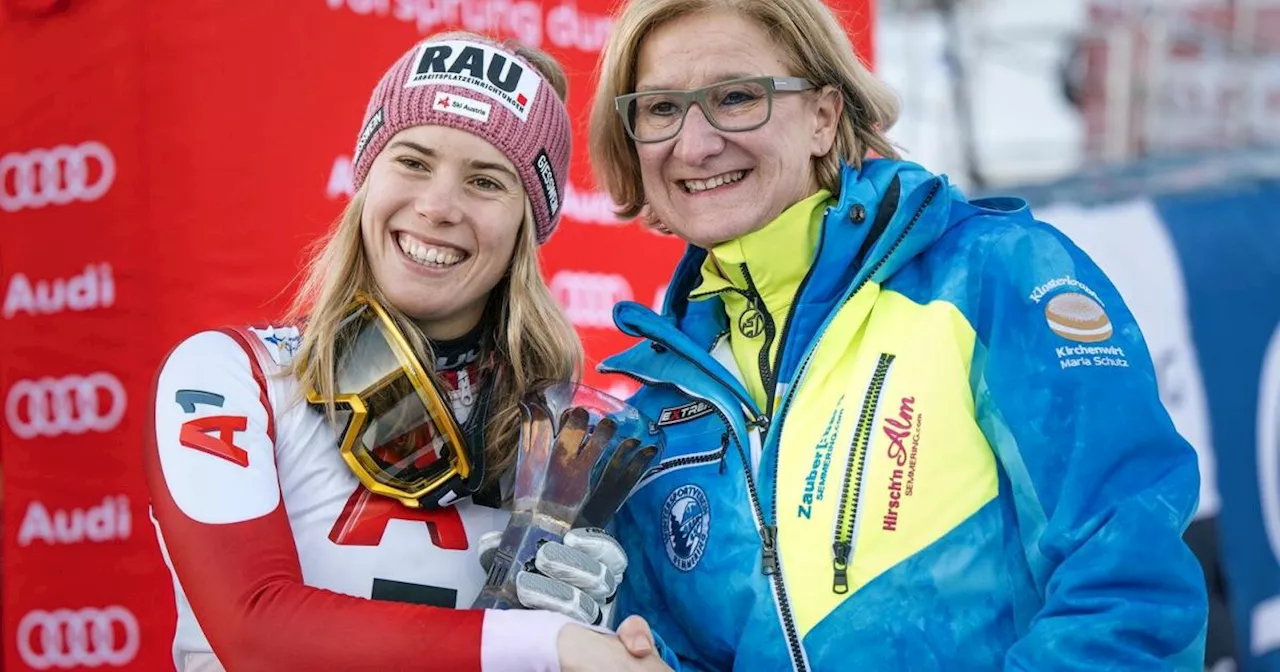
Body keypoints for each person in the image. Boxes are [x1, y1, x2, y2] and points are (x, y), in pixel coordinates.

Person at [587, 0, 1210, 669]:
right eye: (659, 109)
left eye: (737, 97)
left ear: (824, 118)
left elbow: (1128, 584)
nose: (696, 143)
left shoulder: (989, 277)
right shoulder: (651, 423)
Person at [144, 32, 669, 672]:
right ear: (367, 175)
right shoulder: (234, 374)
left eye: (485, 180)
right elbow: (253, 631)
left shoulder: (559, 440)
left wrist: (615, 639)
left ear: (525, 230)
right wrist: (546, 645)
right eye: (413, 162)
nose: (437, 206)